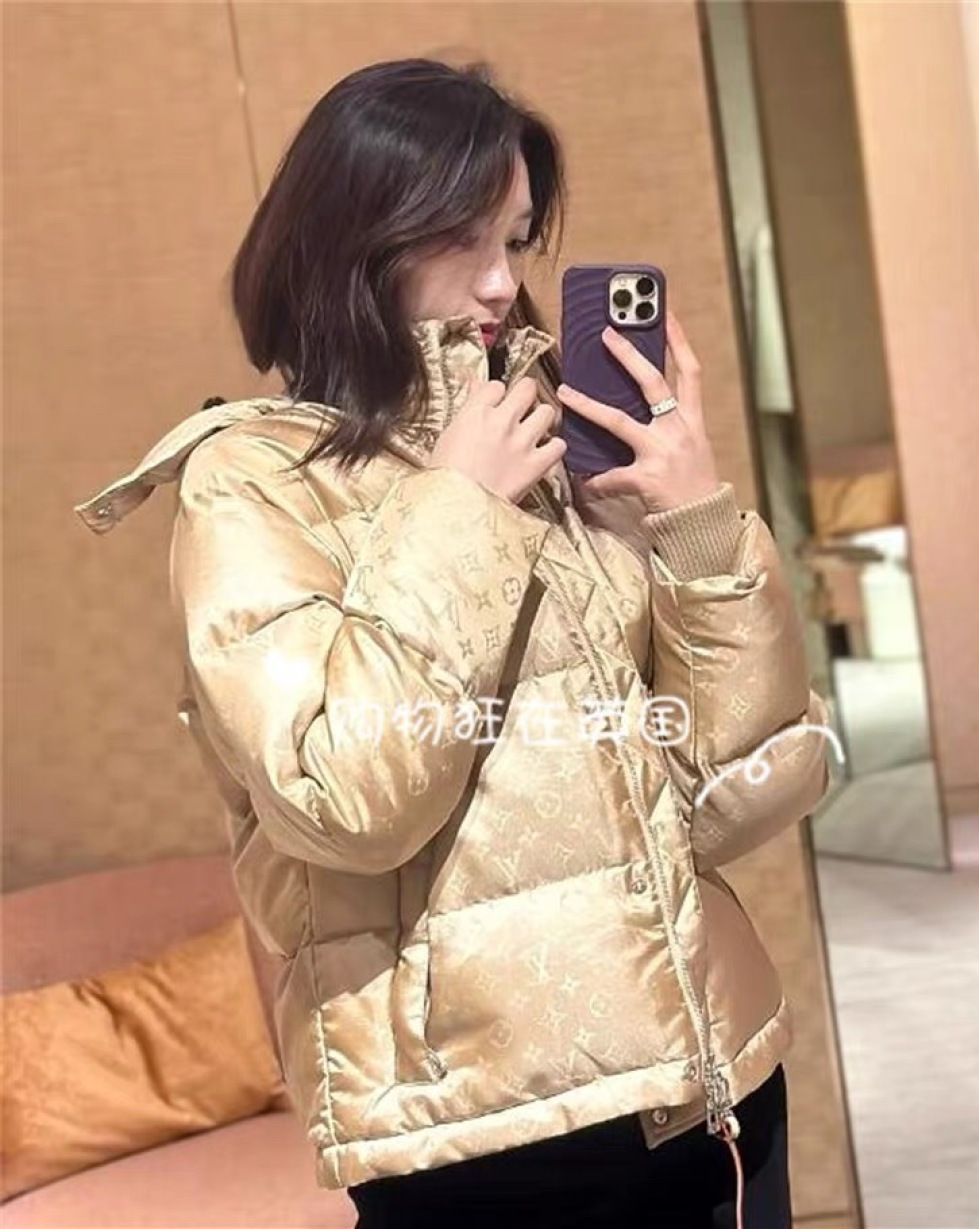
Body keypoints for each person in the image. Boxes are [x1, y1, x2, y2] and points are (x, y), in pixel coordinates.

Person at [74, 57, 832, 1229]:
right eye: (459, 237)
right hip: (481, 1143)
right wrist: (463, 504)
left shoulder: (554, 449)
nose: (500, 282)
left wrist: (696, 522)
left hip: (713, 1094)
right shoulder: (253, 483)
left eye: (517, 240)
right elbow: (349, 801)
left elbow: (736, 795)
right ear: (352, 238)